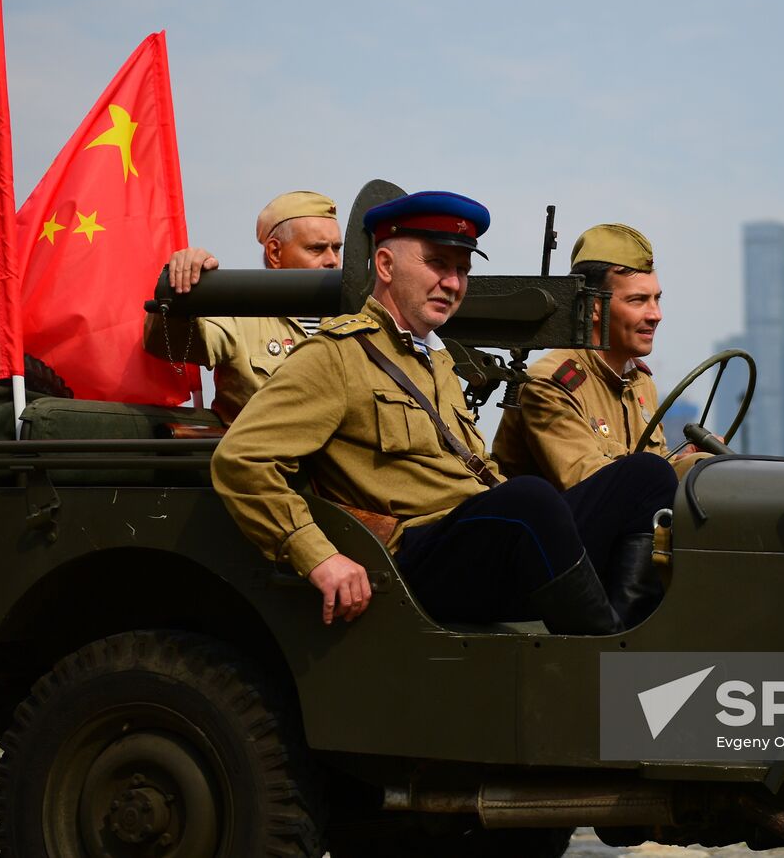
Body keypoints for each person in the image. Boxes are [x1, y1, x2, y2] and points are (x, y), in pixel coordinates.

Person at [211, 191, 677, 634]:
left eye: (461, 268)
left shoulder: (436, 358)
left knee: (646, 477)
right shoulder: (336, 356)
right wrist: (316, 555)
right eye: (436, 264)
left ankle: (625, 635)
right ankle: (598, 657)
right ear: (386, 265)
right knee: (530, 501)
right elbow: (241, 460)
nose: (452, 282)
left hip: (479, 535)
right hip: (418, 554)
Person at [493, 222, 710, 489]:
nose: (656, 315)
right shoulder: (550, 386)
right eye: (638, 300)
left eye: (657, 299)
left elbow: (650, 471)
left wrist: (691, 463)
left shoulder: (640, 382)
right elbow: (594, 487)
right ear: (594, 307)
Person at [142, 190, 343, 423]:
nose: (333, 260)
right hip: (266, 457)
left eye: (336, 248)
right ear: (275, 253)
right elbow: (174, 345)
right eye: (316, 249)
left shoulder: (352, 319)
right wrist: (183, 289)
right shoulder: (240, 314)